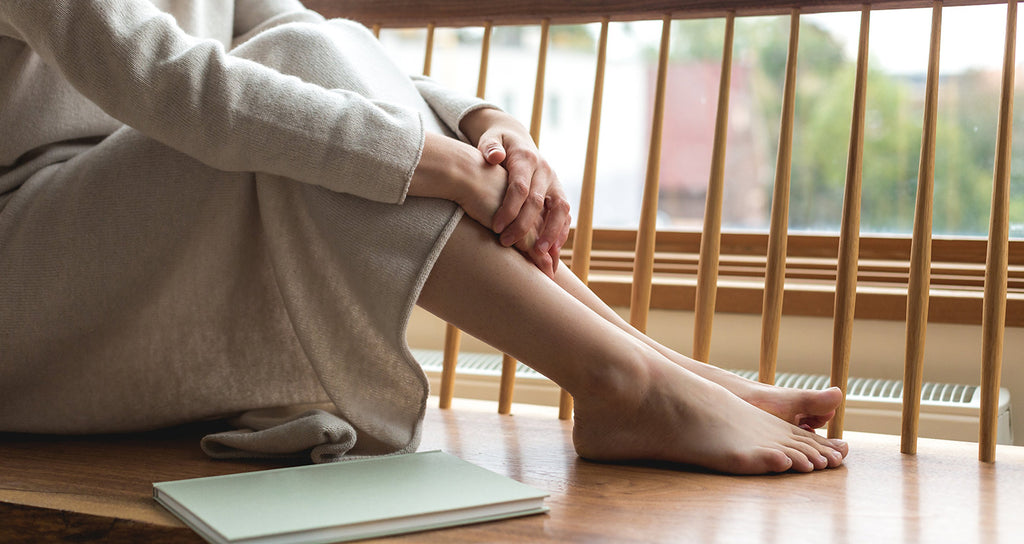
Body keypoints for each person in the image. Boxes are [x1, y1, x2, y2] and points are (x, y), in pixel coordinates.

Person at [0, 0, 848, 474]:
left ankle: (650, 373)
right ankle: (622, 376)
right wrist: (435, 163)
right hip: (26, 288)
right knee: (302, 69)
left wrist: (485, 122)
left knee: (310, 43)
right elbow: (175, 84)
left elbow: (302, 41)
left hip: (127, 240)